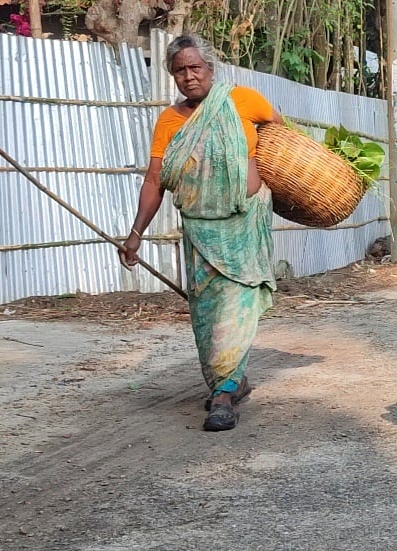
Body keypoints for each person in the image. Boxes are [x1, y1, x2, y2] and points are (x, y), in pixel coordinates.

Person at [118, 34, 284, 432]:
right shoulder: (169, 121)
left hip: (244, 226)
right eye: (180, 70)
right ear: (172, 76)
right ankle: (228, 379)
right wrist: (136, 232)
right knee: (208, 318)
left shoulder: (243, 101)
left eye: (196, 68)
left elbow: (282, 142)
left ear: (211, 69)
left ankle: (224, 395)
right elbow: (156, 180)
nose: (189, 76)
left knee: (235, 312)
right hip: (199, 231)